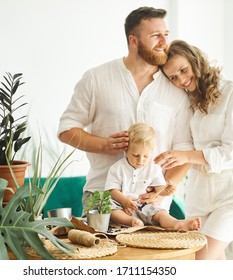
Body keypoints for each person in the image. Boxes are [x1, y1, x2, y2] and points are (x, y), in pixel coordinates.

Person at [57, 7, 193, 211]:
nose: (165, 42)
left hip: (153, 206)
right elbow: (66, 130)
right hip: (101, 198)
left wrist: (164, 190)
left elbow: (185, 148)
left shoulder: (176, 89)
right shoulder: (96, 78)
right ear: (134, 41)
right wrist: (104, 145)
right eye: (156, 36)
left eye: (165, 35)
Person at [156, 40, 233, 259]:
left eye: (183, 70)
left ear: (195, 60)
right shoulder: (186, 101)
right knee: (211, 261)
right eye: (173, 77)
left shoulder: (231, 92)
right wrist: (165, 183)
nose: (181, 80)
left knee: (200, 262)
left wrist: (187, 156)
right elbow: (183, 144)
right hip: (199, 193)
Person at [105, 123, 201, 231]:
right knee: (108, 207)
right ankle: (131, 221)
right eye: (135, 155)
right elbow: (111, 191)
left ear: (151, 152)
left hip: (144, 206)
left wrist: (168, 190)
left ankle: (177, 223)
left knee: (160, 213)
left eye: (145, 156)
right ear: (126, 150)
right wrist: (123, 200)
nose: (140, 161)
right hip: (121, 206)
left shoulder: (153, 168)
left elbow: (159, 190)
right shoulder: (117, 168)